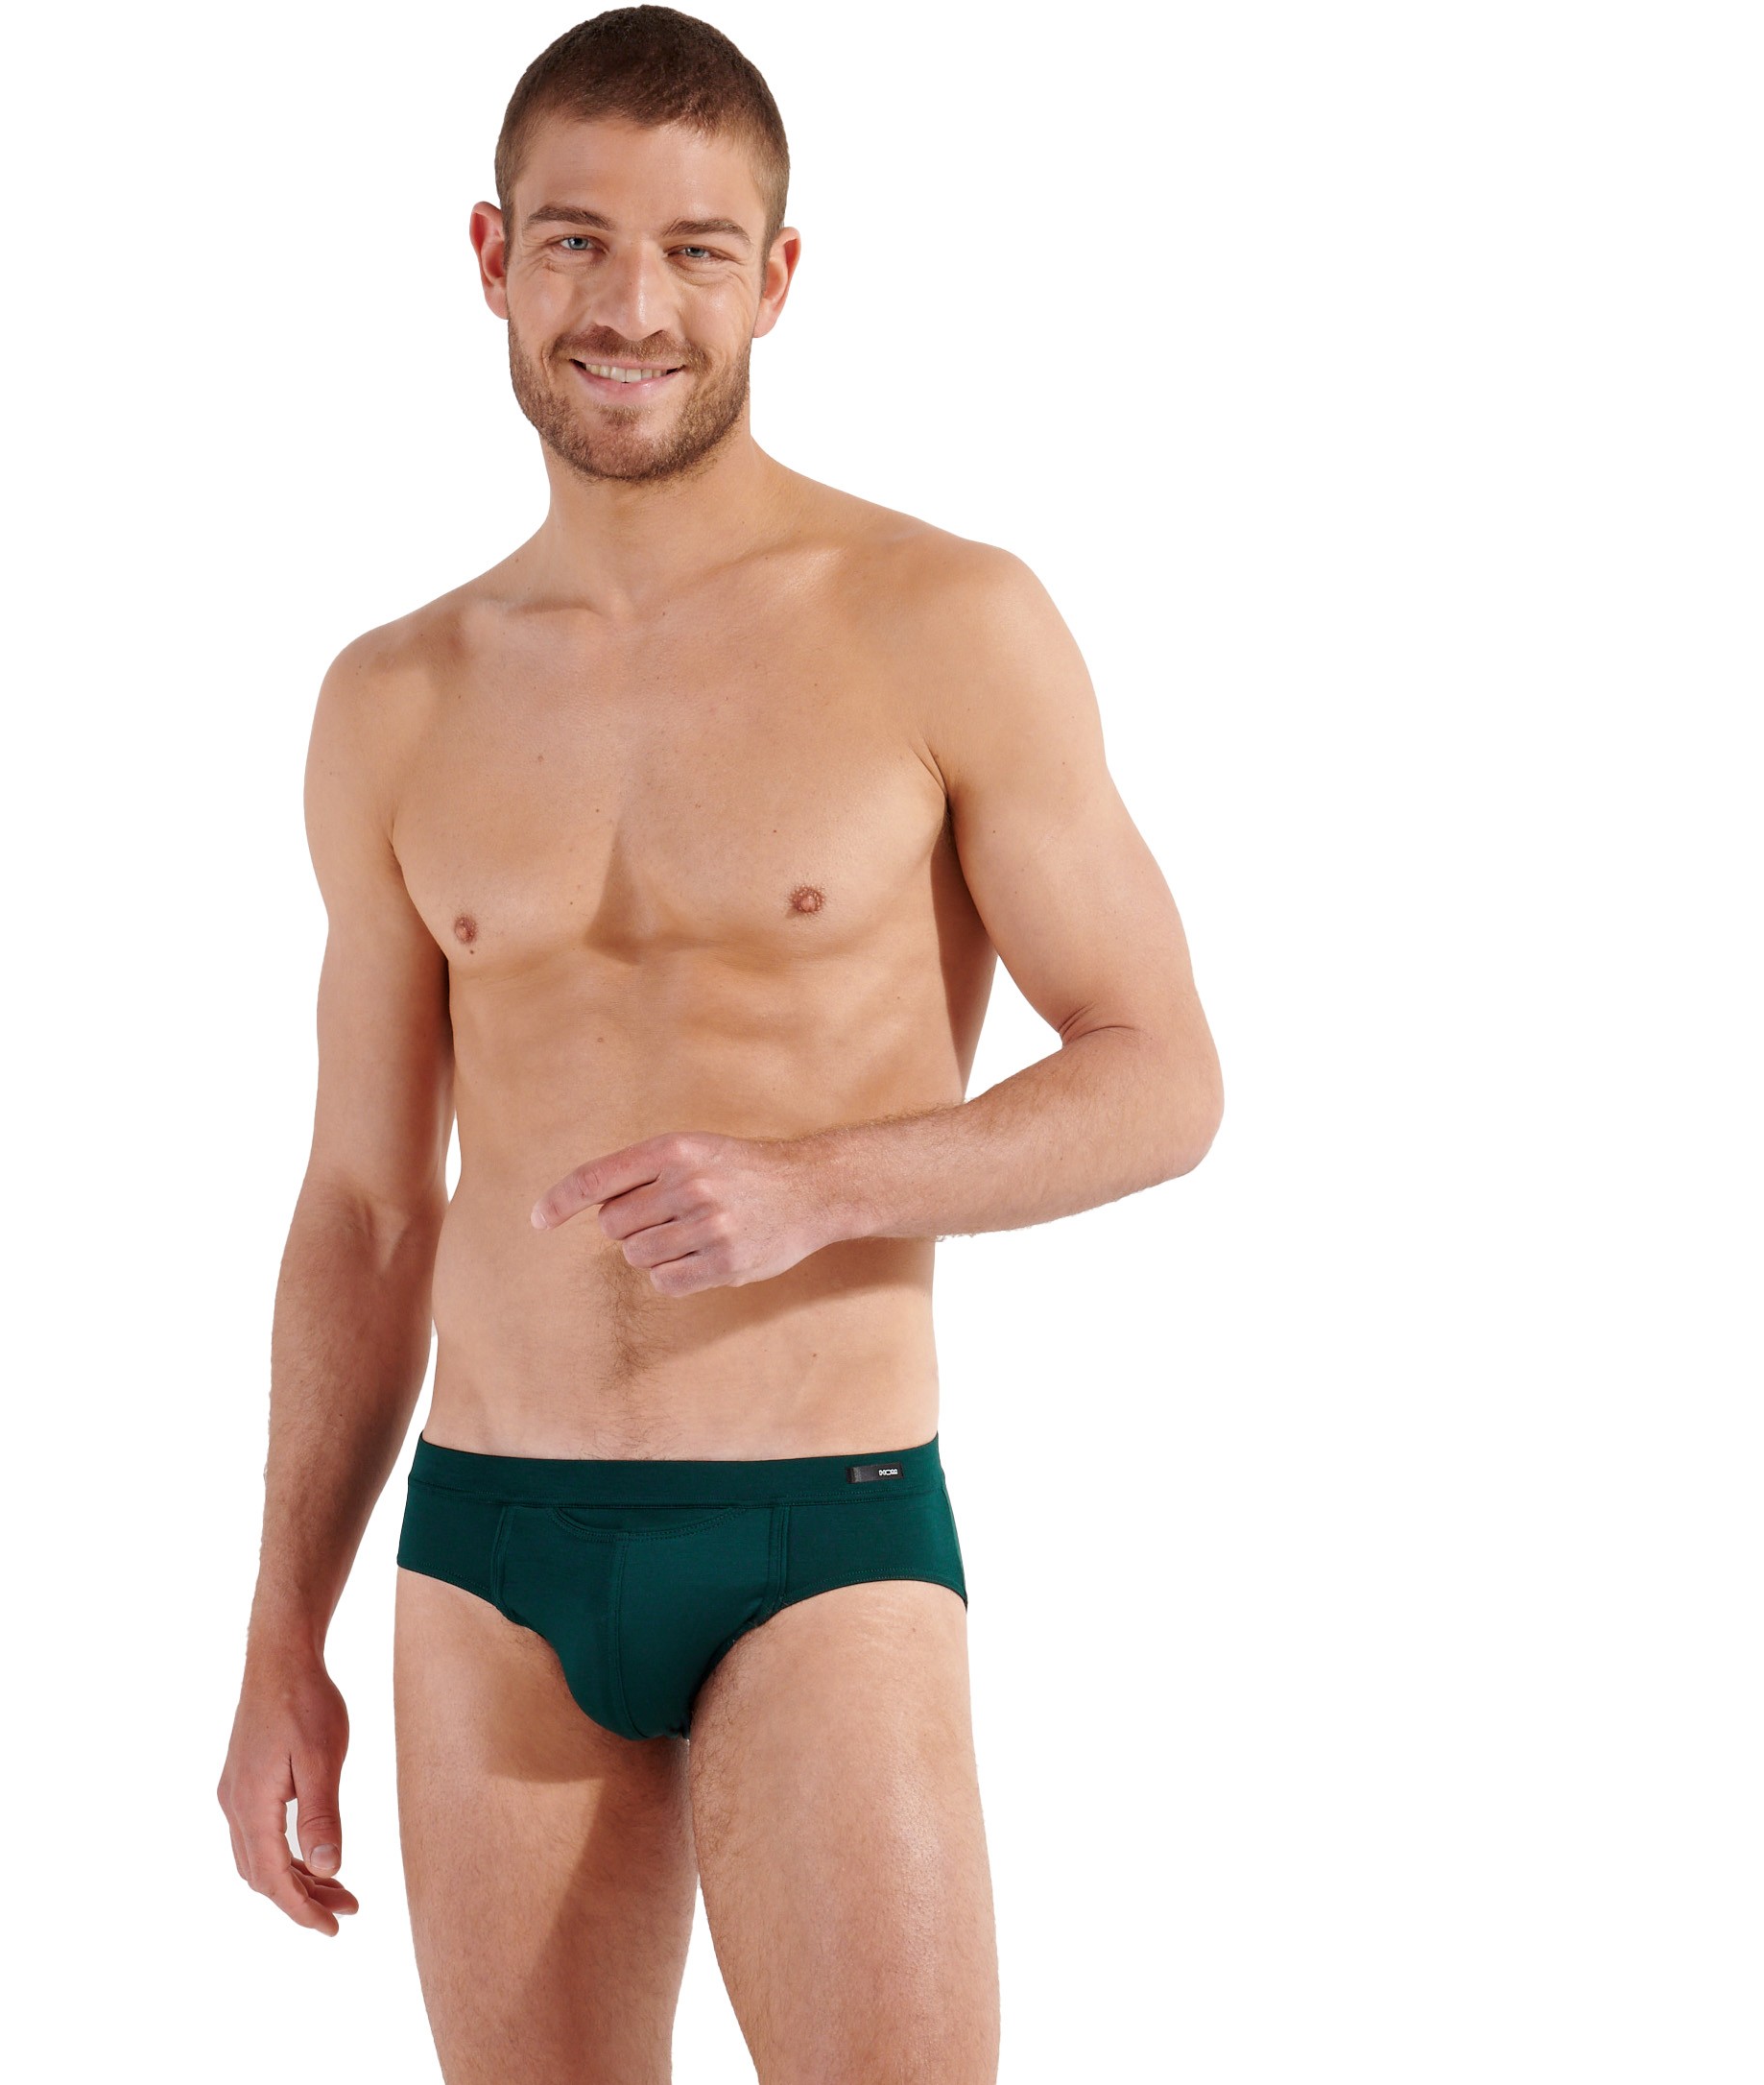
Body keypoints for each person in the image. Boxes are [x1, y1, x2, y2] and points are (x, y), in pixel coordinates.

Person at [217, 7, 1222, 2076]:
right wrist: (274, 1633)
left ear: (776, 278)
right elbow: (366, 1204)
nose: (631, 309)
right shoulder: (393, 698)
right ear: (491, 258)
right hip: (484, 1553)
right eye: (577, 243)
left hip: (818, 1527)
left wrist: (821, 1183)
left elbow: (1161, 1072)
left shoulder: (943, 621)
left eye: (693, 251)